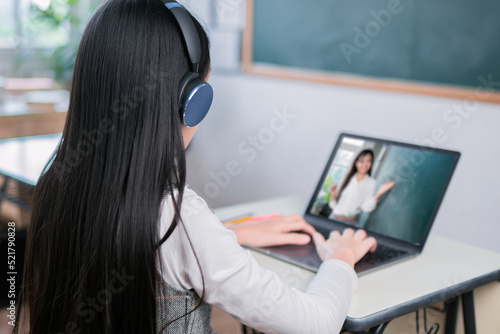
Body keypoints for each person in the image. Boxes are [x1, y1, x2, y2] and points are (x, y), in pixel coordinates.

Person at [15, 1, 377, 333]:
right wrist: (341, 258)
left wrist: (227, 236)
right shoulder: (179, 218)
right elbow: (314, 324)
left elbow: (142, 241)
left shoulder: (54, 184)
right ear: (191, 101)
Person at [327, 149, 395, 224]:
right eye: (362, 161)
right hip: (333, 218)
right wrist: (333, 195)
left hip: (350, 222)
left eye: (368, 161)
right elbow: (333, 205)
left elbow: (366, 208)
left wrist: (378, 194)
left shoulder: (371, 183)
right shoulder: (346, 178)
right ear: (356, 163)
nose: (365, 164)